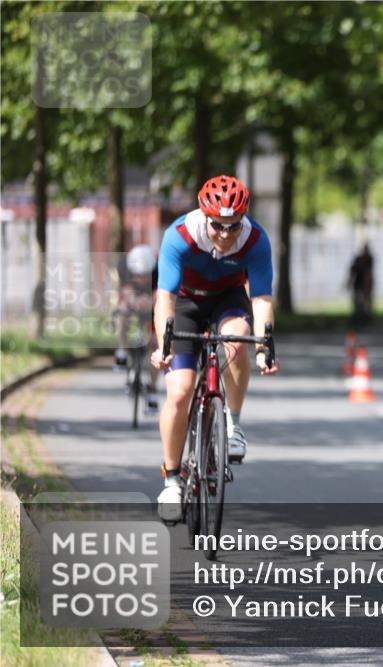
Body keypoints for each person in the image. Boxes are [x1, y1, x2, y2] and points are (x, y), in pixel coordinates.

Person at [149, 175, 280, 522]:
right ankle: (172, 480)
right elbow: (165, 298)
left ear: (243, 219)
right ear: (204, 216)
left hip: (227, 299)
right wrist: (164, 343)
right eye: (218, 225)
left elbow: (262, 299)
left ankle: (233, 425)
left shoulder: (256, 240)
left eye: (233, 225)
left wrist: (264, 348)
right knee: (179, 391)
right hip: (185, 303)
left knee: (238, 338)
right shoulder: (180, 235)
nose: (225, 233)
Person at [114, 244, 160, 414]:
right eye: (138, 275)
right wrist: (133, 302)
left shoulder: (160, 268)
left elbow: (163, 293)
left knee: (155, 343)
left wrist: (152, 303)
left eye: (145, 275)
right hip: (133, 298)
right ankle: (123, 349)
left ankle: (152, 389)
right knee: (122, 315)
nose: (141, 279)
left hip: (153, 300)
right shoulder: (124, 267)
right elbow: (124, 292)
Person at [348, 243, 375, 327]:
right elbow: (352, 272)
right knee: (358, 302)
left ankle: (365, 317)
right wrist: (349, 282)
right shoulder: (358, 260)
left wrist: (368, 286)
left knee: (365, 302)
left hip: (365, 285)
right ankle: (358, 318)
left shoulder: (369, 259)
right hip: (358, 284)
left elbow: (368, 274)